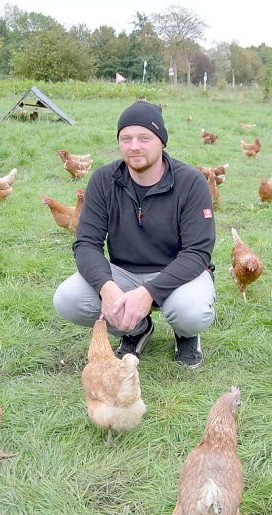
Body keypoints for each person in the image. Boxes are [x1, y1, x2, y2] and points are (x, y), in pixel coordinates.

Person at [54, 101, 216, 368]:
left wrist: (149, 292)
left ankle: (186, 334)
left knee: (191, 312)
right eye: (125, 138)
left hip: (178, 274)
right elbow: (86, 244)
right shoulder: (104, 180)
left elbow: (197, 252)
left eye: (144, 138)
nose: (134, 146)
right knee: (68, 299)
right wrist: (107, 287)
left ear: (161, 142)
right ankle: (136, 329)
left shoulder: (190, 182)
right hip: (123, 272)